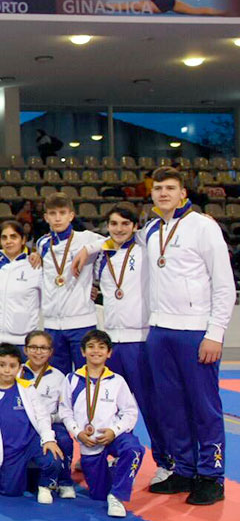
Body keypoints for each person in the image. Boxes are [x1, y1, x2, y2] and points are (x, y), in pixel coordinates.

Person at [140, 168, 232, 504]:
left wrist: (216, 332)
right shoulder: (151, 230)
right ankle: (183, 468)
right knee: (171, 407)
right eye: (158, 188)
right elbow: (116, 241)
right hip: (160, 330)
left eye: (170, 188)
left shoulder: (203, 226)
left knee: (204, 406)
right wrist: (87, 250)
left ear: (183, 193)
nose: (163, 193)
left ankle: (211, 475)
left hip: (195, 331)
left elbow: (223, 284)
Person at [70, 204, 162, 483]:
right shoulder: (104, 254)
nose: (119, 229)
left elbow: (157, 228)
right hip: (113, 340)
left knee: (148, 405)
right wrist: (91, 249)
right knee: (104, 405)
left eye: (125, 223)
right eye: (113, 224)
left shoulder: (146, 246)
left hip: (139, 339)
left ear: (135, 226)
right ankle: (100, 455)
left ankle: (165, 461)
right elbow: (99, 244)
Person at [58, 331, 146, 518]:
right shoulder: (72, 379)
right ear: (82, 352)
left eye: (101, 347)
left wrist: (114, 431)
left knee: (134, 450)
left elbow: (130, 412)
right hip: (89, 441)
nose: (96, 351)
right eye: (91, 347)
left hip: (113, 437)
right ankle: (114, 469)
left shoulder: (117, 381)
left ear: (109, 353)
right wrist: (77, 433)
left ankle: (117, 496)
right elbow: (65, 411)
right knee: (98, 495)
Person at [0, 345, 64, 503]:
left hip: (31, 442)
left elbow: (42, 415)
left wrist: (48, 439)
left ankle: (44, 486)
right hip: (9, 450)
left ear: (19, 368)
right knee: (10, 492)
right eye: (2, 365)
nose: (7, 370)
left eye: (12, 366)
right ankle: (25, 477)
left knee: (53, 458)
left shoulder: (27, 388)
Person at [34, 194, 99, 373]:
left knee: (86, 376)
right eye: (52, 213)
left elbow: (112, 241)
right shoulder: (42, 244)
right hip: (53, 325)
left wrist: (88, 249)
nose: (57, 218)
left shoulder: (86, 238)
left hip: (81, 322)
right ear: (46, 217)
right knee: (56, 378)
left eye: (62, 213)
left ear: (71, 215)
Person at [18, 330, 76, 499]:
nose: (38, 352)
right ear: (25, 350)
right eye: (34, 347)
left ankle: (65, 481)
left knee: (64, 439)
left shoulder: (59, 377)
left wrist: (50, 418)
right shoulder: (17, 372)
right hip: (24, 424)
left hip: (51, 424)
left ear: (51, 352)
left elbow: (64, 410)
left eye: (43, 348)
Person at [0, 220, 41, 374]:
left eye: (13, 237)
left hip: (22, 343)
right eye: (4, 237)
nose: (8, 241)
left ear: (22, 239)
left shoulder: (35, 266)